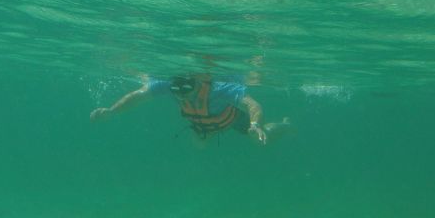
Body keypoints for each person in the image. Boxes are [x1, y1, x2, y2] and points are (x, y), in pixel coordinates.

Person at [89, 73, 289, 145]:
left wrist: (255, 124)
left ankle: (284, 125)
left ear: (198, 83)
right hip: (205, 125)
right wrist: (112, 110)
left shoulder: (219, 88)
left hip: (231, 118)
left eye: (188, 87)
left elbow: (252, 104)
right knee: (199, 145)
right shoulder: (167, 85)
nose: (181, 92)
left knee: (262, 140)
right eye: (176, 87)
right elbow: (138, 96)